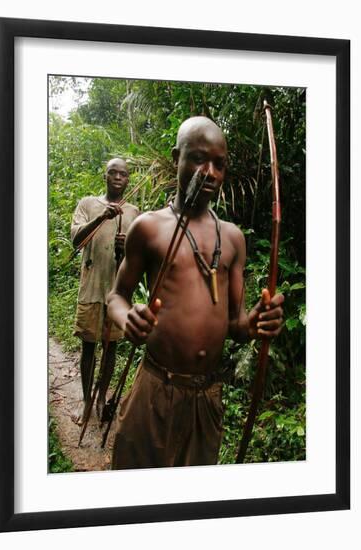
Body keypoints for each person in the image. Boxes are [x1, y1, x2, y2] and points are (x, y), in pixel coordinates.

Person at [107, 116, 284, 469]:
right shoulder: (150, 228)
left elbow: (235, 324)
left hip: (206, 398)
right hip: (155, 389)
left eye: (220, 164)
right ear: (177, 158)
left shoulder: (232, 238)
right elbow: (116, 296)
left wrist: (257, 323)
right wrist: (129, 317)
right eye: (199, 159)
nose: (211, 172)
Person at [70, 158, 140, 424]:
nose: (118, 177)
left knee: (111, 348)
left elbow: (138, 256)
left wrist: (127, 248)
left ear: (128, 179)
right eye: (113, 173)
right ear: (105, 176)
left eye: (123, 174)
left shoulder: (134, 212)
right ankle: (86, 400)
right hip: (91, 287)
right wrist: (101, 217)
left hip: (117, 294)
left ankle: (101, 398)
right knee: (89, 347)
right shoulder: (88, 204)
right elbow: (76, 240)